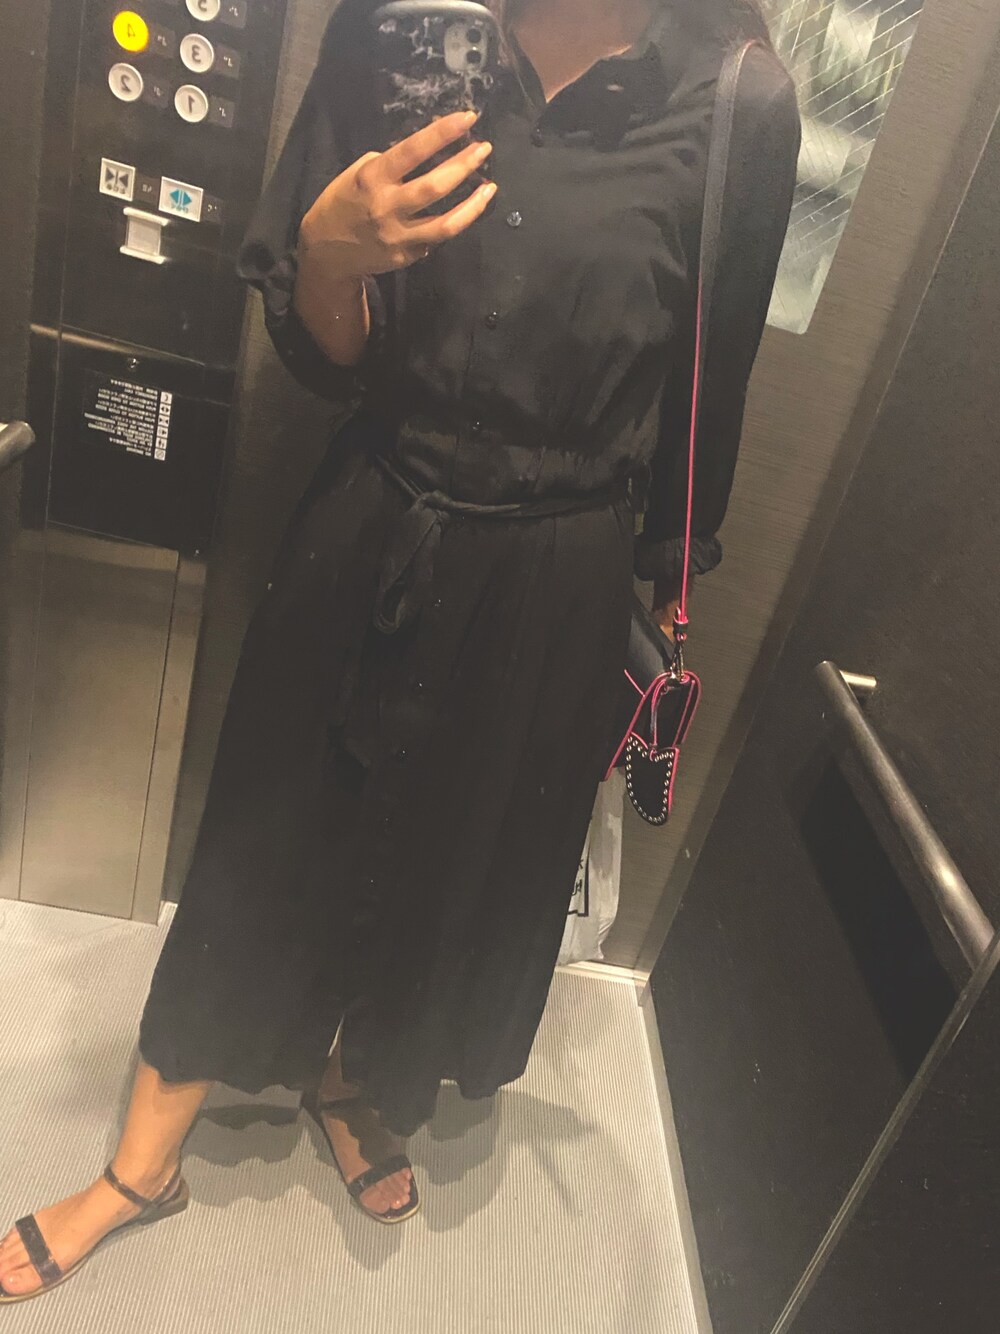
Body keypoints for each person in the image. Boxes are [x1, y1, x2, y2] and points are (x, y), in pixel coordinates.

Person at [0, 0, 799, 1300]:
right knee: (266, 834)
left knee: (458, 861)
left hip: (561, 563)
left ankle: (355, 1076)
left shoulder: (739, 102)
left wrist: (661, 585)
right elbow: (326, 355)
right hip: (378, 507)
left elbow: (717, 384)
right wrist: (325, 254)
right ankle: (145, 1162)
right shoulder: (399, 31)